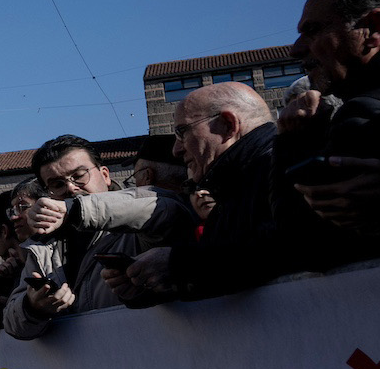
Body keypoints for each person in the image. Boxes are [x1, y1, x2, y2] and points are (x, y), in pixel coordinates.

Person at [276, 0, 380, 247]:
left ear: (374, 28)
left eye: (313, 30)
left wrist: (291, 142)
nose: (297, 49)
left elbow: (301, 241)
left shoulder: (367, 115)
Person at [115, 81, 286, 300]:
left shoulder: (280, 166)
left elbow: (286, 248)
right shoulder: (232, 185)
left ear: (227, 125)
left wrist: (179, 265)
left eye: (182, 132)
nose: (176, 150)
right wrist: (149, 287)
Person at [2, 135, 179, 341]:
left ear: (104, 175)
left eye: (79, 175)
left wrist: (74, 209)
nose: (70, 188)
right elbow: (11, 323)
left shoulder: (137, 215)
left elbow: (163, 206)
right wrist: (33, 307)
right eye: (57, 184)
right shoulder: (43, 245)